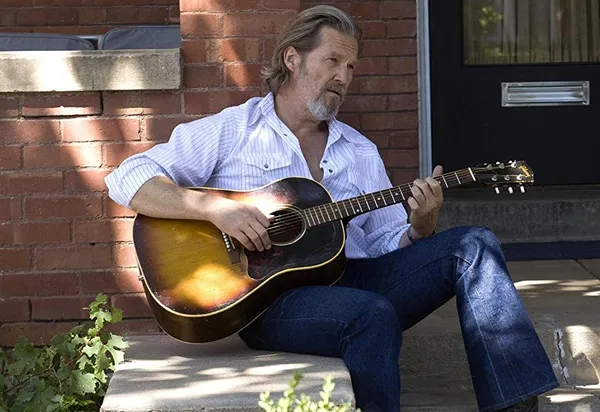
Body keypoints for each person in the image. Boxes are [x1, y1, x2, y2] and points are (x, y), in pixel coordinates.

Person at [105, 5, 559, 411]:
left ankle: (515, 403)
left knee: (473, 245)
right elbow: (127, 177)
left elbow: (384, 243)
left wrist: (420, 228)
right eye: (333, 61)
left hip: (355, 276)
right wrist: (214, 209)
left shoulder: (360, 151)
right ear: (293, 58)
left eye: (351, 66)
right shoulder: (234, 129)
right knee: (370, 314)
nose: (344, 76)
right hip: (267, 298)